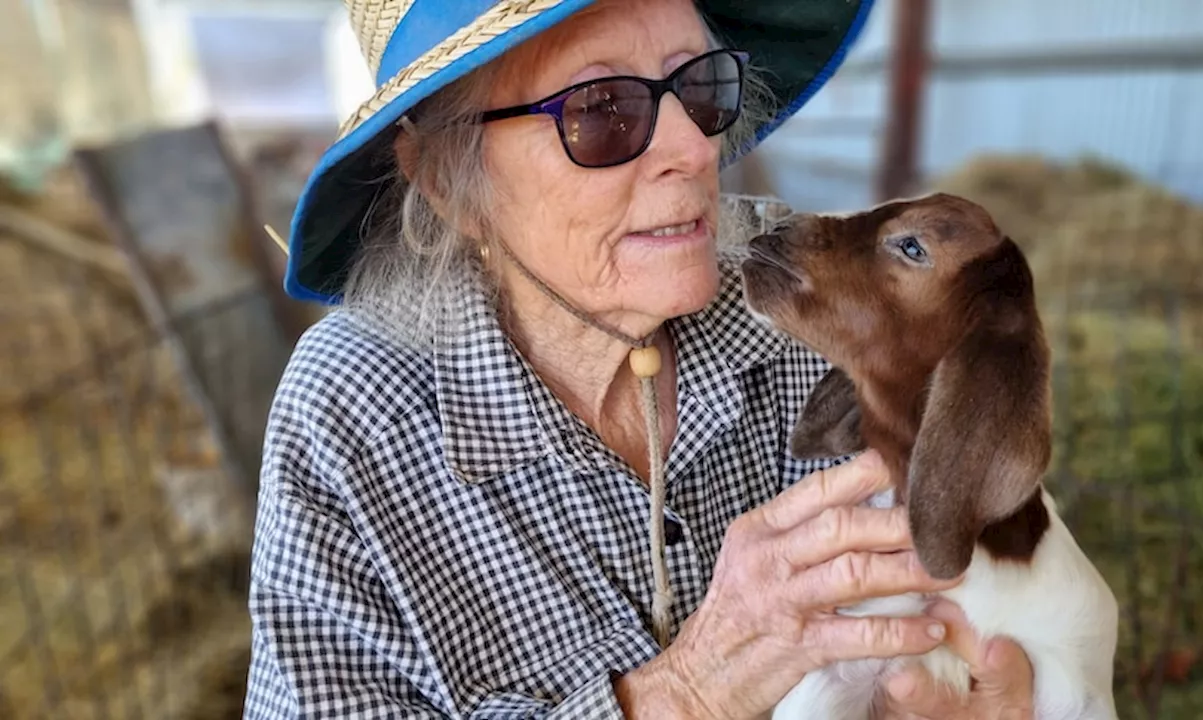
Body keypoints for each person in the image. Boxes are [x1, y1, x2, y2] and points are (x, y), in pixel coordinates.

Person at [244, 0, 1037, 718]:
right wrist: (683, 694)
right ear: (450, 181)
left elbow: (981, 617)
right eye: (602, 110)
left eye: (700, 85)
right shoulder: (352, 411)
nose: (695, 149)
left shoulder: (800, 311)